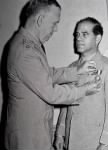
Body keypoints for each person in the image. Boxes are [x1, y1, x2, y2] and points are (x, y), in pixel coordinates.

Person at [3, 1, 102, 150]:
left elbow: (46, 74)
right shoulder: (26, 51)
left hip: (33, 133)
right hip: (28, 138)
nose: (55, 29)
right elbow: (51, 93)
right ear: (40, 20)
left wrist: (76, 71)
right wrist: (84, 91)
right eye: (54, 23)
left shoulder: (29, 45)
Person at [54, 17, 108, 150]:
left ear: (98, 39)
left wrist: (106, 143)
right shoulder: (71, 69)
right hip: (71, 141)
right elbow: (65, 106)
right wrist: (60, 133)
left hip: (95, 142)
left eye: (85, 34)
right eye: (77, 34)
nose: (78, 38)